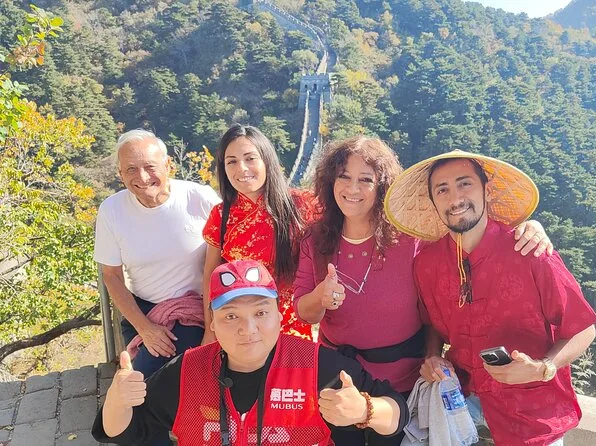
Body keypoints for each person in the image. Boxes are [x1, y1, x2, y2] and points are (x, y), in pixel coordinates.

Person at [294, 137, 553, 446]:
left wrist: (529, 227)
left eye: (366, 180)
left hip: (401, 381)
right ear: (330, 182)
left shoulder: (411, 240)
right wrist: (320, 297)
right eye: (344, 177)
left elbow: (465, 232)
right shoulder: (315, 240)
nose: (353, 188)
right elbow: (304, 313)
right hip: (337, 378)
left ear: (382, 187)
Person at [384, 149, 596, 445]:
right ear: (433, 202)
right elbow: (432, 322)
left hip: (530, 415)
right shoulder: (427, 264)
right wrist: (433, 356)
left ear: (486, 191)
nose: (455, 198)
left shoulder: (529, 251)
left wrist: (543, 367)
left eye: (465, 184)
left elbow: (583, 328)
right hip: (461, 405)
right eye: (442, 190)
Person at [92, 260, 409, 446]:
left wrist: (365, 410)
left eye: (260, 313)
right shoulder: (186, 373)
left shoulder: (317, 366)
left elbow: (397, 414)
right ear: (212, 323)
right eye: (231, 316)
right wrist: (117, 399)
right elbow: (122, 432)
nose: (248, 329)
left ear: (279, 316)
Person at [94, 130, 219, 445]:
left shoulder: (199, 198)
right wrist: (145, 328)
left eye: (150, 166)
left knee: (156, 382)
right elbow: (111, 276)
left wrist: (214, 325)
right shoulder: (112, 210)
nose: (142, 177)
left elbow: (229, 255)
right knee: (139, 387)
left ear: (168, 166)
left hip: (200, 307)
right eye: (131, 169)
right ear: (120, 174)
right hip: (145, 309)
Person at [201, 124, 316, 344]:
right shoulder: (221, 215)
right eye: (232, 161)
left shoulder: (301, 205)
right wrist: (210, 328)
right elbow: (210, 275)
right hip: (243, 328)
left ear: (267, 160)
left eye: (250, 158)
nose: (242, 168)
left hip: (292, 325)